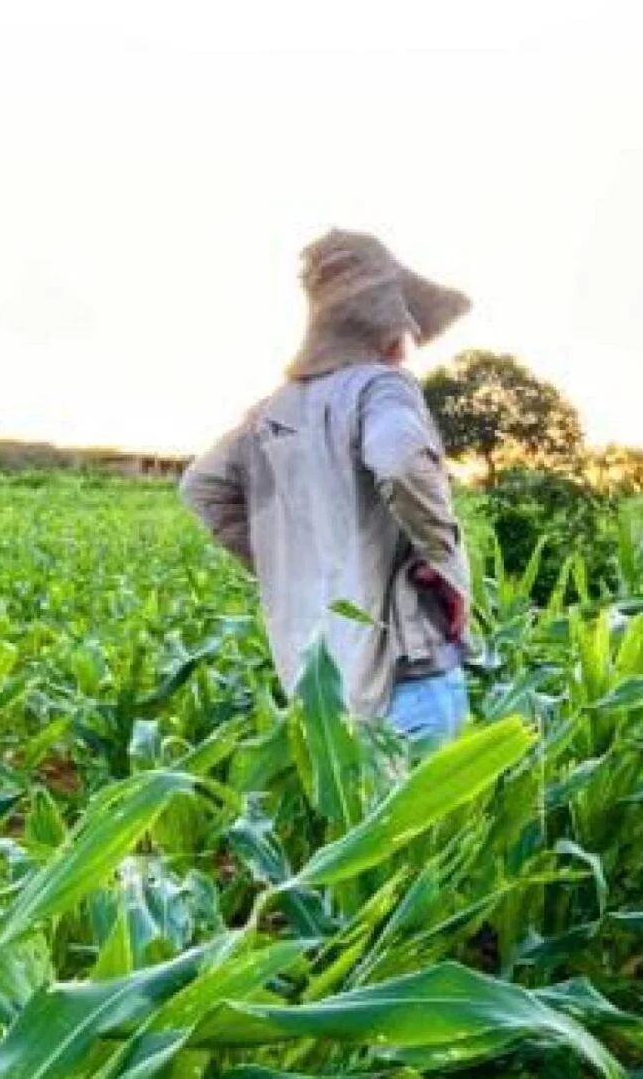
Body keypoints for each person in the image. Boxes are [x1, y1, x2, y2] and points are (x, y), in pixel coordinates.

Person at [181, 230, 476, 749]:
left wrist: (291, 567)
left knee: (355, 826)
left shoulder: (274, 411)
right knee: (439, 828)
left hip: (322, 691)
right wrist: (444, 560)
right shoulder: (380, 385)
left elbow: (202, 486)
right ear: (392, 324)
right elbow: (400, 456)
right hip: (405, 677)